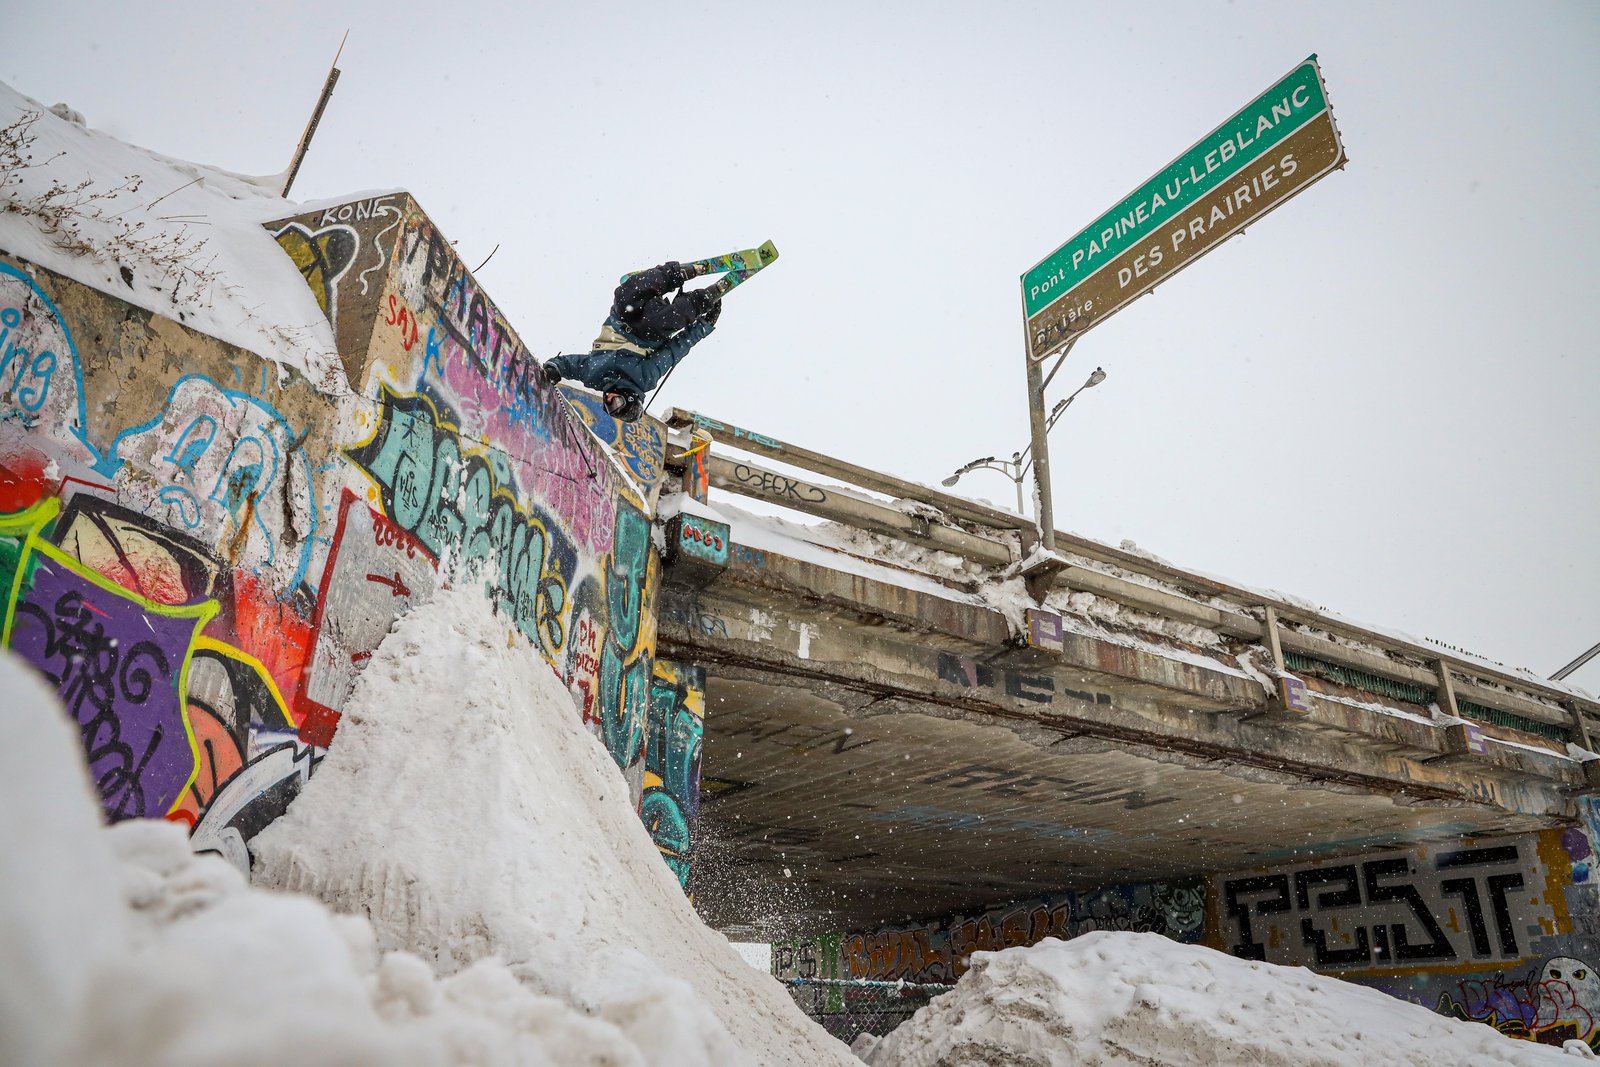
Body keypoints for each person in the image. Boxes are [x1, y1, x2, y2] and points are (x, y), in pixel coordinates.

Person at [541, 261, 721, 421]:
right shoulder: (644, 377)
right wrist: (705, 325)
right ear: (629, 398)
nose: (609, 398)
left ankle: (669, 276)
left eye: (607, 405)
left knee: (623, 297)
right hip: (648, 332)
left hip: (622, 320)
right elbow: (676, 349)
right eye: (616, 402)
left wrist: (554, 369)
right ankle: (698, 298)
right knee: (659, 322)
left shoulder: (593, 376)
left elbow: (569, 365)